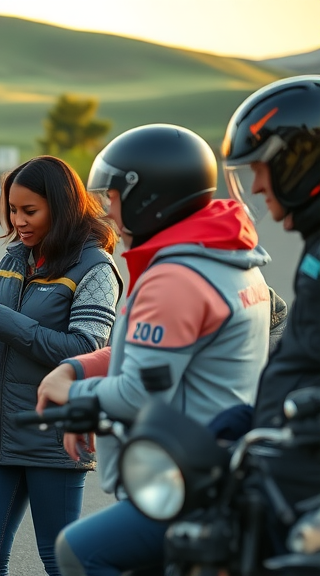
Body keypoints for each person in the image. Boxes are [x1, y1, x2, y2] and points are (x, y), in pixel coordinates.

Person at [36, 124, 273, 576]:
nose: (108, 211)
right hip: (222, 462)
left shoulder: (175, 279)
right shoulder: (226, 260)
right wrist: (76, 367)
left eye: (114, 197)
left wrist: (73, 398)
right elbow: (153, 355)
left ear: (146, 198)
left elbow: (138, 393)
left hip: (186, 474)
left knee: (79, 551)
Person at [0, 155, 120, 576]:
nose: (19, 221)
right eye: (13, 209)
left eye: (30, 211)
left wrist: (1, 319)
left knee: (60, 559)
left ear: (62, 207)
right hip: (0, 438)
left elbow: (85, 351)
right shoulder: (13, 260)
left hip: (54, 439)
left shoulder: (96, 268)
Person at [222, 75, 320, 556]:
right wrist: (240, 418)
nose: (256, 185)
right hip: (282, 467)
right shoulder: (316, 252)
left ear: (303, 161)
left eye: (263, 167)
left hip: (300, 482)